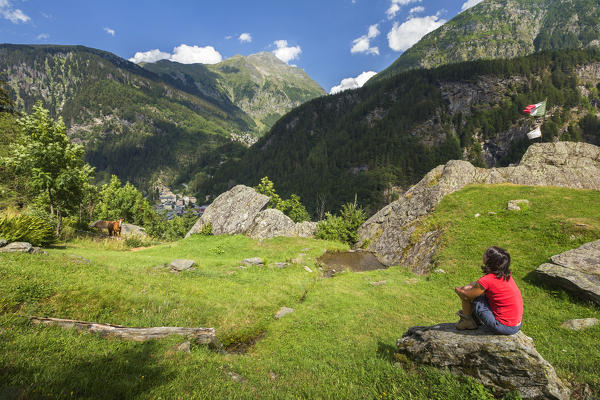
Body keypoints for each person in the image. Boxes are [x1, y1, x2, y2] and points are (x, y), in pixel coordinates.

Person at [454, 246, 523, 335]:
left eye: (486, 254)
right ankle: (474, 319)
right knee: (474, 289)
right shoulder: (506, 275)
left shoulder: (487, 280)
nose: (484, 254)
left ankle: (468, 321)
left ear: (490, 261)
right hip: (516, 325)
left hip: (504, 327)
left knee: (469, 295)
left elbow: (467, 295)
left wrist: (459, 290)